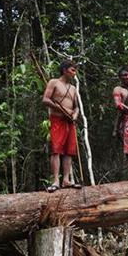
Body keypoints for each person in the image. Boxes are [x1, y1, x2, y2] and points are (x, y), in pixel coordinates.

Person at [42, 60, 82, 192]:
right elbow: (46, 100)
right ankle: (55, 180)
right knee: (56, 149)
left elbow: (76, 107)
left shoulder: (73, 88)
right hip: (57, 119)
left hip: (70, 121)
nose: (74, 73)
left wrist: (75, 115)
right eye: (72, 70)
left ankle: (66, 179)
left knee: (69, 151)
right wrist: (60, 108)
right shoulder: (54, 82)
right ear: (64, 70)